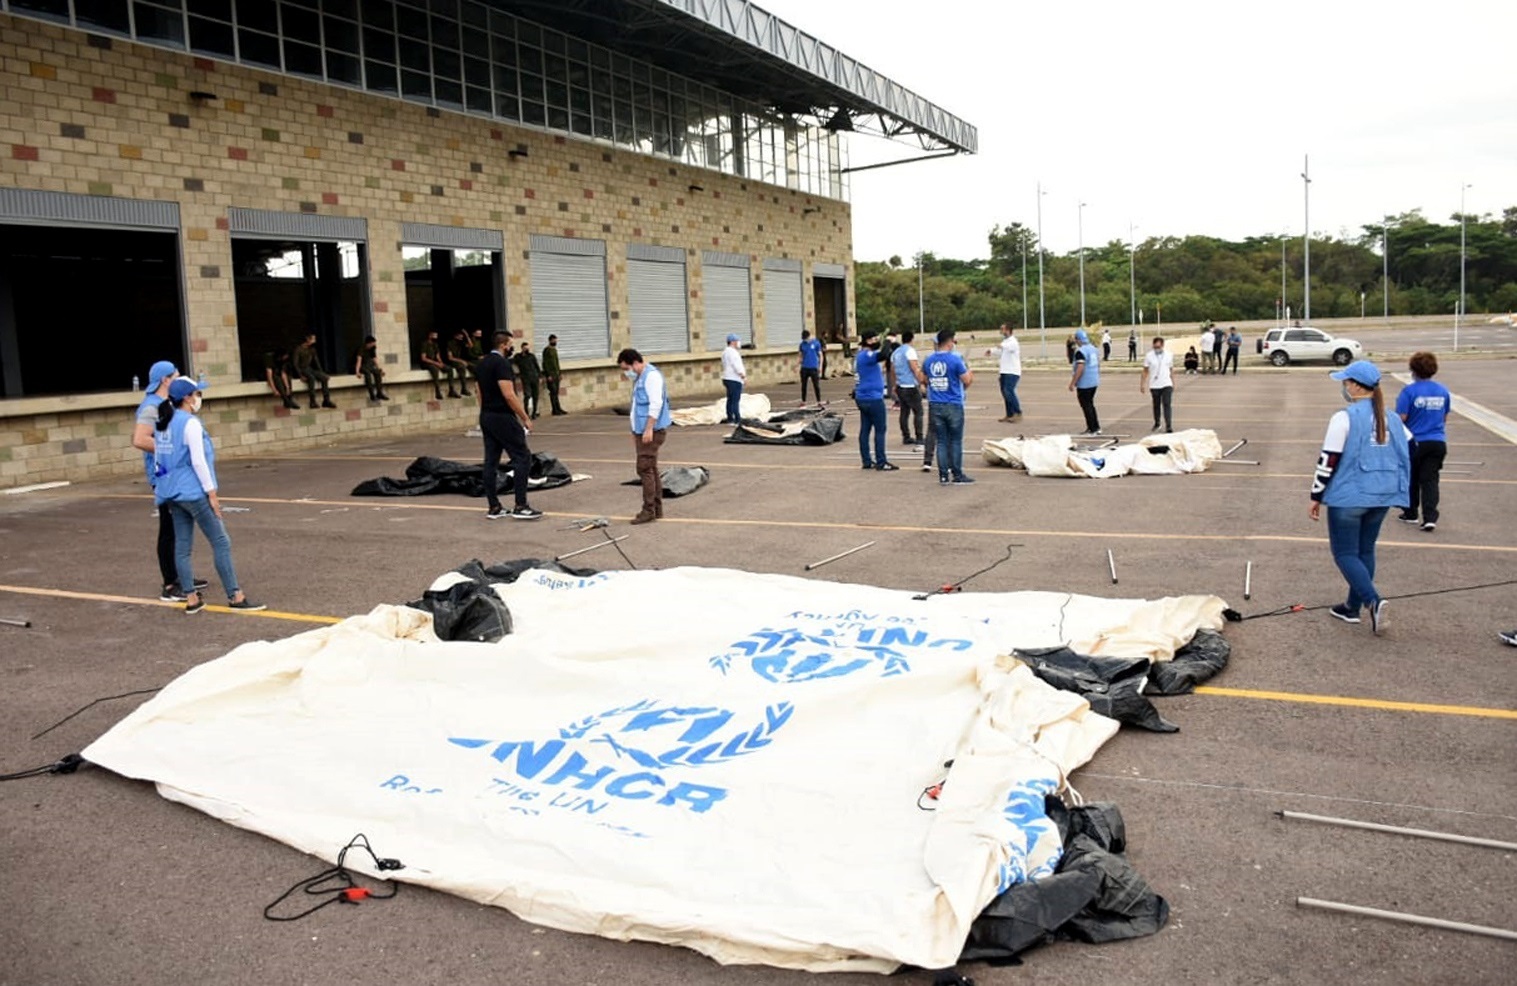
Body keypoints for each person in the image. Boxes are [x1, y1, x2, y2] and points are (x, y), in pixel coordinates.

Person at [1309, 360, 1410, 636]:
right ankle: (1351, 607)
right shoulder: (1389, 416)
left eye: (1345, 381)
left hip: (1349, 495)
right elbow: (1408, 447)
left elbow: (1328, 459)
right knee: (1366, 550)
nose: (1344, 386)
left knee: (1344, 553)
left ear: (1354, 385)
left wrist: (1316, 494)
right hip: (1382, 494)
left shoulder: (1344, 417)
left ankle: (1373, 601)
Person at [151, 378, 264, 613]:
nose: (198, 398)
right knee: (221, 541)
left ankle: (192, 599)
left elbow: (158, 460)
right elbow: (198, 461)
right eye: (196, 393)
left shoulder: (163, 422)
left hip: (171, 492)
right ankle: (235, 596)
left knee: (183, 546)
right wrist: (211, 492)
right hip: (193, 492)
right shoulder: (189, 423)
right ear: (186, 398)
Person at [132, 361, 204, 602]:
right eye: (175, 375)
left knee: (180, 526)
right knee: (169, 529)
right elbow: (140, 439)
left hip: (174, 475)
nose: (179, 377)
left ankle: (183, 576)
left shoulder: (167, 404)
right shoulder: (151, 407)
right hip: (163, 476)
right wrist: (170, 450)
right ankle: (170, 584)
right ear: (165, 379)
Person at [474, 331, 541, 521]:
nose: (512, 347)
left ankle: (494, 507)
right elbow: (509, 394)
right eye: (511, 344)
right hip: (502, 416)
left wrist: (486, 411)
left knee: (491, 461)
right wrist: (525, 417)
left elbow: (478, 392)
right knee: (522, 457)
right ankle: (521, 505)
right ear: (504, 345)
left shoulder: (482, 363)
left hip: (487, 415)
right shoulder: (501, 363)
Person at [1396, 351, 1452, 532]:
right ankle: (1430, 517)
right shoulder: (1443, 391)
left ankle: (1411, 512)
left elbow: (1401, 418)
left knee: (1411, 478)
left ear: (1413, 370)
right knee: (1430, 480)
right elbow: (1444, 417)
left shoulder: (1409, 392)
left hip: (1415, 441)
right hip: (1437, 442)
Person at [618, 347, 671, 523]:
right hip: (642, 431)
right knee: (651, 468)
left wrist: (648, 428)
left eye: (626, 369)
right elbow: (636, 407)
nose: (626, 373)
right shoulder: (641, 377)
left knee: (644, 468)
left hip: (652, 431)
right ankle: (656, 508)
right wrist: (634, 431)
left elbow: (656, 404)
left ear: (635, 363)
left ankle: (648, 510)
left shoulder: (652, 377)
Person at [923, 328, 974, 484]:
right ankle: (957, 473)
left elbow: (923, 379)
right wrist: (970, 374)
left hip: (935, 403)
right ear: (950, 341)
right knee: (956, 441)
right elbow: (966, 380)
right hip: (953, 403)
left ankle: (943, 475)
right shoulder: (955, 360)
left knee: (942, 441)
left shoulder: (929, 360)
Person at [853, 329, 895, 470]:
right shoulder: (867, 355)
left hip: (862, 397)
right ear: (869, 341)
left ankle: (866, 461)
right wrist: (888, 340)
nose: (877, 342)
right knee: (880, 429)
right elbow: (883, 354)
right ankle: (881, 462)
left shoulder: (860, 356)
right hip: (873, 398)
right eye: (875, 339)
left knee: (865, 429)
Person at [891, 329, 924, 447]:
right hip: (910, 385)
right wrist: (922, 382)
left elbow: (893, 370)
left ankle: (906, 436)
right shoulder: (910, 351)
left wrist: (894, 384)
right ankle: (919, 437)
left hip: (900, 385)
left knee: (904, 413)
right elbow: (914, 368)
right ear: (911, 339)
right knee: (918, 412)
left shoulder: (896, 352)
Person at [1067, 329, 1101, 435]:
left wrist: (1073, 382)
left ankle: (1093, 429)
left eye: (1076, 339)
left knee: (1086, 406)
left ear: (1078, 339)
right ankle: (1095, 427)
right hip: (1094, 381)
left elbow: (1080, 368)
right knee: (1090, 405)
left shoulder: (1080, 351)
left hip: (1085, 383)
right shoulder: (1093, 349)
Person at [1140, 336, 1175, 433]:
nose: (1157, 349)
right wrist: (1142, 384)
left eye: (1159, 347)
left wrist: (1173, 382)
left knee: (1167, 404)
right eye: (1155, 347)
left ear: (1163, 346)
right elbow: (1145, 371)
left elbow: (1171, 369)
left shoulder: (1169, 355)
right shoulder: (1149, 356)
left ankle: (1169, 425)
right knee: (1156, 405)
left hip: (1166, 383)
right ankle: (1157, 423)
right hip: (1155, 384)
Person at [292, 333, 336, 408]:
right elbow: (295, 364)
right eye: (313, 339)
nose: (314, 341)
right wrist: (300, 375)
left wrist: (321, 373)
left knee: (324, 378)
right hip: (302, 369)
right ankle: (312, 402)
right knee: (311, 378)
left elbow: (316, 362)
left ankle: (326, 400)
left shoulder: (312, 349)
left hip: (309, 368)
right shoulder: (298, 349)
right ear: (308, 339)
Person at [989, 323, 1022, 422]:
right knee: (1005, 393)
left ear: (1008, 330)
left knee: (1009, 392)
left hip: (1012, 371)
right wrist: (991, 351)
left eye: (1002, 329)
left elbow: (1007, 347)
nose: (1001, 331)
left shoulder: (1013, 341)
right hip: (1004, 371)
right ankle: (1009, 414)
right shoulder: (1005, 341)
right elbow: (1001, 351)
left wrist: (1001, 345)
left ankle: (1018, 412)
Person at [420, 330, 456, 399]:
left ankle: (451, 390)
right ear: (430, 336)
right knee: (435, 369)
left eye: (436, 336)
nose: (436, 337)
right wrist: (436, 363)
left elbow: (437, 356)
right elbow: (423, 358)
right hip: (426, 363)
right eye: (434, 336)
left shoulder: (435, 344)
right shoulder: (425, 344)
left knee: (449, 369)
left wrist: (441, 363)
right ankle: (438, 391)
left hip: (434, 362)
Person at [720, 332, 746, 424]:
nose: (739, 343)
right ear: (732, 342)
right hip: (734, 378)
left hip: (727, 377)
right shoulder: (733, 353)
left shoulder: (725, 352)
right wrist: (742, 374)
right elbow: (736, 365)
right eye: (737, 341)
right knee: (735, 400)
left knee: (730, 399)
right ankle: (737, 419)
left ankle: (730, 418)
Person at [514, 339, 543, 420]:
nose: (526, 349)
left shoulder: (531, 356)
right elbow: (512, 363)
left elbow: (537, 366)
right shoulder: (518, 357)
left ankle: (534, 413)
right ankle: (526, 412)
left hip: (534, 377)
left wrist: (540, 376)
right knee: (527, 395)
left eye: (527, 348)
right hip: (525, 378)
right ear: (522, 348)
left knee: (535, 395)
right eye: (525, 348)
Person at [354, 335, 389, 401]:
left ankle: (379, 393)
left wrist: (380, 369)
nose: (374, 345)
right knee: (367, 374)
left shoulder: (372, 349)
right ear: (368, 344)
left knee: (377, 372)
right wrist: (357, 372)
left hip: (367, 365)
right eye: (372, 344)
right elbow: (359, 361)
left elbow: (375, 360)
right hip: (360, 365)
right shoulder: (361, 349)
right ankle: (372, 395)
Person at [542, 333, 566, 415]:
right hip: (551, 375)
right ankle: (554, 410)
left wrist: (559, 373)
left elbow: (556, 362)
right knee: (553, 392)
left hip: (556, 374)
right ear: (550, 340)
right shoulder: (547, 350)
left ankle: (558, 408)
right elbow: (545, 363)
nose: (555, 342)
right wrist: (548, 375)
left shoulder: (554, 350)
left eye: (556, 340)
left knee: (556, 392)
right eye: (554, 340)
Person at [798, 329, 824, 403]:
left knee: (816, 385)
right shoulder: (802, 344)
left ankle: (819, 401)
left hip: (813, 367)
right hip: (804, 368)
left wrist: (820, 366)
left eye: (806, 339)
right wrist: (797, 365)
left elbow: (820, 355)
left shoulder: (816, 343)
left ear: (809, 337)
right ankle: (803, 401)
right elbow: (800, 356)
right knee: (803, 385)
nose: (805, 340)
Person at [446, 331, 474, 397]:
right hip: (452, 361)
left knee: (473, 367)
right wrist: (461, 361)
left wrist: (467, 336)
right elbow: (450, 358)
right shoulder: (450, 343)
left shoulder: (460, 343)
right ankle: (463, 388)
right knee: (462, 367)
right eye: (459, 336)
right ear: (455, 336)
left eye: (462, 337)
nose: (461, 338)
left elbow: (471, 345)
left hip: (459, 360)